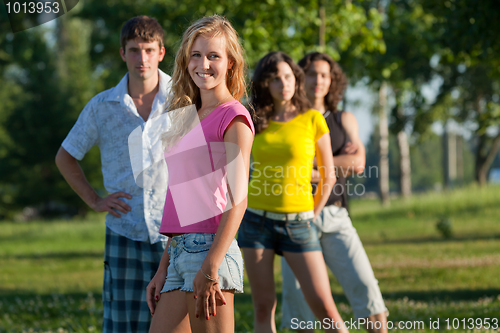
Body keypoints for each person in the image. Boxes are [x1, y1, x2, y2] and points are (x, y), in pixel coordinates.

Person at [55, 16, 171, 332]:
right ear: (122, 53)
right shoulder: (102, 106)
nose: (142, 59)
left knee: (176, 323)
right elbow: (65, 157)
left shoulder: (183, 98)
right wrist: (94, 200)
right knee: (124, 325)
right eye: (134, 50)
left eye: (149, 50)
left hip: (175, 232)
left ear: (161, 52)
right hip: (125, 230)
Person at [146, 15, 255, 333]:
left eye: (213, 56)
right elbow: (185, 203)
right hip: (179, 251)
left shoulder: (233, 116)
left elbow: (238, 201)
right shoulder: (185, 117)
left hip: (210, 252)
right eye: (196, 54)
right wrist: (163, 268)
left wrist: (211, 266)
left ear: (231, 63)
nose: (203, 64)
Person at [237, 51, 349, 333]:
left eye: (288, 77)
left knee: (325, 308)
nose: (283, 84)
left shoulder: (312, 119)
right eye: (275, 79)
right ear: (264, 83)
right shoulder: (252, 119)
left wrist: (313, 212)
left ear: (296, 80)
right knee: (263, 307)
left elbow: (328, 175)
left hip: (299, 225)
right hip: (255, 223)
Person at [280, 52, 388, 333]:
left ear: (333, 80)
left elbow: (358, 163)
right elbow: (283, 165)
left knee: (368, 295)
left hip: (335, 215)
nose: (319, 80)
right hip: (296, 218)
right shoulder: (288, 119)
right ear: (301, 78)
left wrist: (314, 170)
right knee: (298, 310)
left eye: (325, 75)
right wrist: (334, 166)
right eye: (312, 73)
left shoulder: (344, 119)